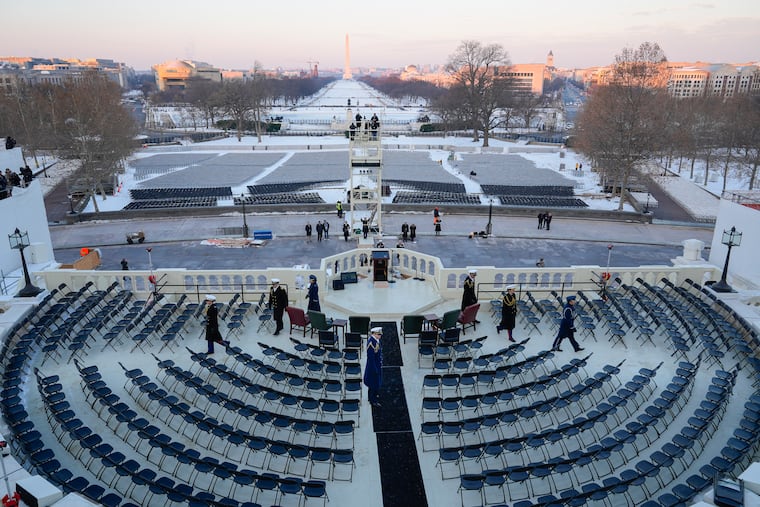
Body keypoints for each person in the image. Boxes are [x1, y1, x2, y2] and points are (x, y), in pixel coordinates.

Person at [364, 327, 383, 407]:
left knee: (376, 382)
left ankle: (375, 394)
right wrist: (374, 368)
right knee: (372, 383)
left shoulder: (376, 340)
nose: (380, 336)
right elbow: (371, 358)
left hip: (377, 364)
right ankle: (372, 400)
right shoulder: (371, 343)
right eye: (379, 334)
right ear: (374, 334)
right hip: (373, 366)